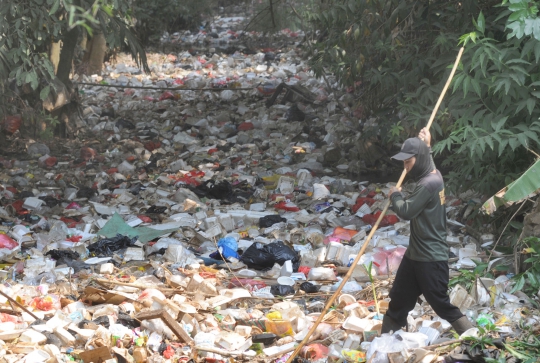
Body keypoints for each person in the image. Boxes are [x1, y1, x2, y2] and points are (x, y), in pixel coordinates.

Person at [381, 128, 473, 335]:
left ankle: (475, 340)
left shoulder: (428, 184)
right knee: (399, 299)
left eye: (408, 161)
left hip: (431, 257)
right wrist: (428, 146)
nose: (405, 167)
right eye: (403, 162)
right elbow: (427, 160)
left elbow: (406, 211)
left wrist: (395, 195)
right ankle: (385, 342)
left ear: (419, 158)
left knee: (440, 303)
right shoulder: (433, 173)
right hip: (415, 255)